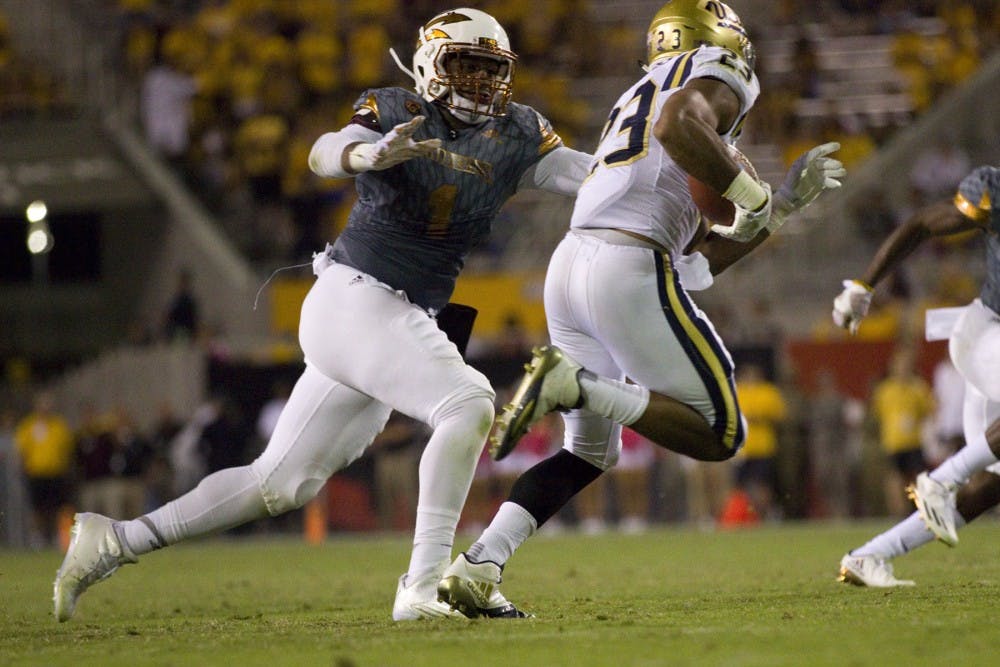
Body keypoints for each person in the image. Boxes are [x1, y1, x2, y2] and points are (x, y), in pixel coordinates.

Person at [53, 7, 591, 623]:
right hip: (355, 299)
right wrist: (366, 156)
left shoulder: (517, 132)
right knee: (468, 403)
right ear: (430, 65)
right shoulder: (396, 109)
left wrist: (653, 172)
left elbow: (589, 175)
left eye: (491, 70)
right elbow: (324, 151)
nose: (481, 83)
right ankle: (423, 587)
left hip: (393, 316)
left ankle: (115, 540)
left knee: (280, 483)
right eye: (466, 65)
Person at [434, 0, 845, 618]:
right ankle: (575, 385)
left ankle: (479, 565)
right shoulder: (708, 81)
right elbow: (678, 125)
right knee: (722, 431)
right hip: (624, 263)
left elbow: (700, 262)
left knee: (590, 452)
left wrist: (779, 205)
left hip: (573, 265)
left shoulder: (642, 94)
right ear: (717, 40)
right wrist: (751, 192)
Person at [834, 163, 1000, 587]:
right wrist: (864, 286)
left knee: (989, 487)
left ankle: (870, 556)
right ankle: (940, 481)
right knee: (962, 479)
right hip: (986, 334)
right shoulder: (994, 189)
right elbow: (923, 223)